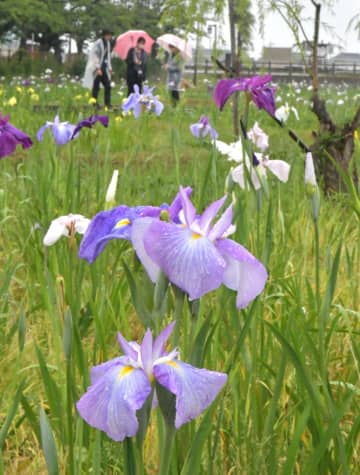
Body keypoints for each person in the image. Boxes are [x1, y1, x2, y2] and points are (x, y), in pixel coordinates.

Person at [83, 29, 113, 109]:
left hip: (103, 67)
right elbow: (95, 56)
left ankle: (107, 103)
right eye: (108, 35)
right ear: (104, 35)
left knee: (107, 85)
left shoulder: (108, 43)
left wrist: (110, 67)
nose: (109, 36)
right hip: (97, 67)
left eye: (110, 35)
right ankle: (94, 103)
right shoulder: (98, 43)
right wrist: (98, 68)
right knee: (96, 86)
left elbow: (108, 56)